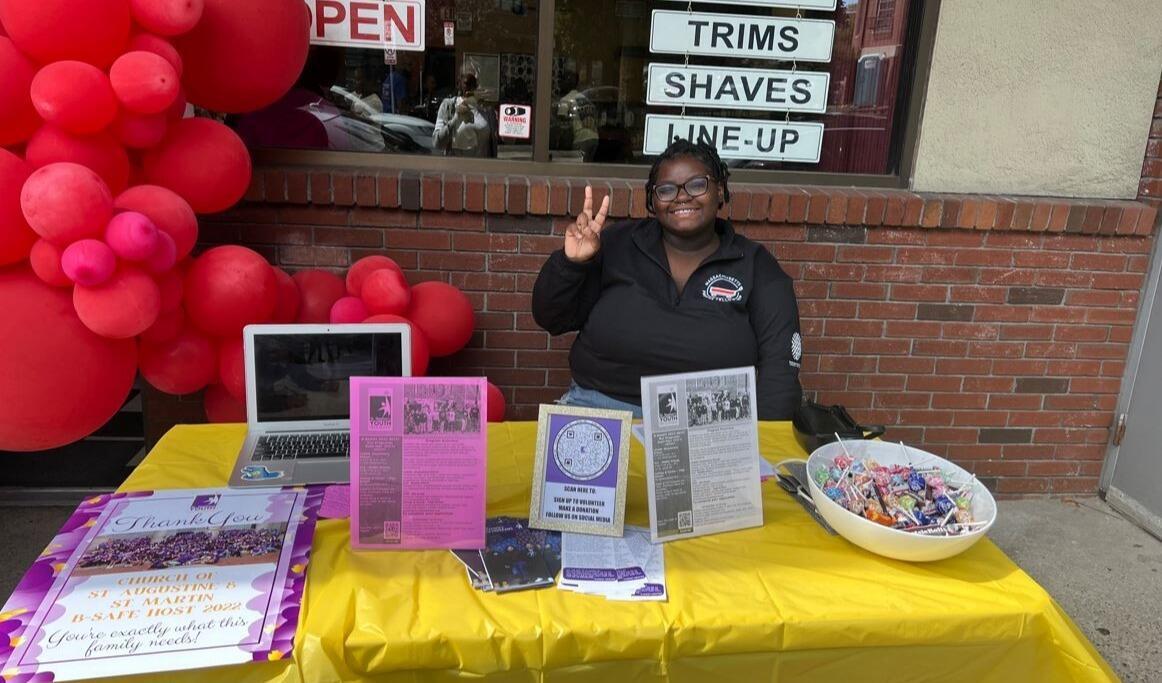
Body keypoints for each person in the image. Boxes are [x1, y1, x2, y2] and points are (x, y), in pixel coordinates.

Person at [531, 139, 803, 420]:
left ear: (720, 190)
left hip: (710, 420)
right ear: (652, 201)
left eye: (697, 185)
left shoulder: (756, 266)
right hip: (602, 409)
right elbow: (551, 318)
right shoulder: (616, 244)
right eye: (666, 189)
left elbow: (780, 372)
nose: (681, 197)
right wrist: (572, 264)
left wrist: (765, 437)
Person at [432, 73, 495, 157]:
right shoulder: (449, 106)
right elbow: (437, 142)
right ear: (459, 84)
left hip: (481, 164)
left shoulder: (486, 110)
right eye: (466, 83)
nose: (469, 86)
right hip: (456, 163)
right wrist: (455, 118)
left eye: (473, 83)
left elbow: (498, 140)